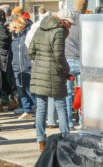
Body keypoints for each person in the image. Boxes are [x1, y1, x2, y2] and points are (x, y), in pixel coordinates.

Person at [29, 8, 72, 152]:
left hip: (38, 71)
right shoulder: (59, 31)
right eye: (70, 23)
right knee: (61, 106)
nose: (70, 26)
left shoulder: (41, 28)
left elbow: (31, 50)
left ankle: (41, 140)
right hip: (54, 73)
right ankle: (66, 138)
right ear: (64, 21)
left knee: (41, 108)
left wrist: (40, 61)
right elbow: (59, 55)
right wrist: (66, 69)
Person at [9, 16, 35, 119]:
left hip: (27, 67)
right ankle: (27, 110)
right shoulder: (14, 38)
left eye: (13, 26)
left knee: (30, 91)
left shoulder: (27, 37)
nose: (11, 28)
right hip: (17, 68)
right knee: (21, 91)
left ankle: (36, 109)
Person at [62, 7, 82, 126]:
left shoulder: (65, 24)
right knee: (82, 93)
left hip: (67, 59)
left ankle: (68, 122)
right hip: (81, 60)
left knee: (67, 93)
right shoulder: (85, 21)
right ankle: (82, 121)